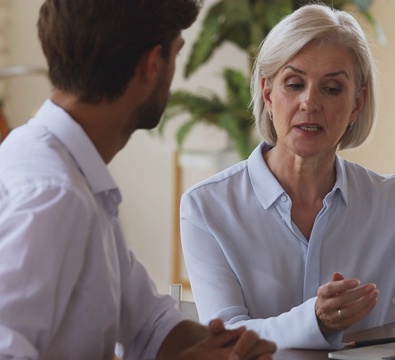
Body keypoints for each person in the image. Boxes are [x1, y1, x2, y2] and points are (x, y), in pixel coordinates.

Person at [180, 3, 395, 350]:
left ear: (356, 104)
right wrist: (314, 319)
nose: (309, 102)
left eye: (331, 88)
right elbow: (227, 337)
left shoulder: (390, 200)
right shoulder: (206, 207)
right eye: (294, 83)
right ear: (268, 93)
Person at [0, 1, 277, 359]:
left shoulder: (77, 177)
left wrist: (233, 347)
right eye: (175, 56)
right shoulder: (57, 195)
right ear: (151, 66)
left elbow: (149, 323)